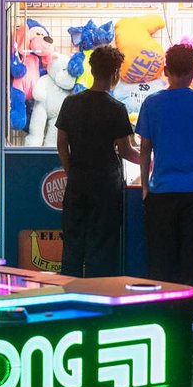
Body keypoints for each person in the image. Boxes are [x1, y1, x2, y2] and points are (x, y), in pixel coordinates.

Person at [135, 43, 193, 331]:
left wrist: (145, 185)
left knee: (160, 255)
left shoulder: (152, 103)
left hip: (161, 191)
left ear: (165, 70)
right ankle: (192, 315)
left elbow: (145, 149)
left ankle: (161, 315)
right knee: (191, 254)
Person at [55, 45, 140, 277]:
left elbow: (61, 143)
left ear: (91, 70)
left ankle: (69, 293)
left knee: (72, 245)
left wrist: (71, 171)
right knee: (102, 248)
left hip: (78, 182)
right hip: (106, 186)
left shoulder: (71, 103)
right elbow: (126, 150)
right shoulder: (117, 109)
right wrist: (149, 161)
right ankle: (98, 295)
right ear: (115, 74)